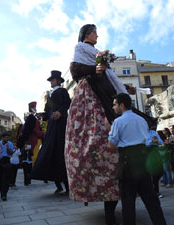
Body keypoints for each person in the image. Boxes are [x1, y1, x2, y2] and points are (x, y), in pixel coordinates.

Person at [64, 24, 150, 225]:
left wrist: (125, 88)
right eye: (94, 32)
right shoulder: (81, 49)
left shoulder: (98, 53)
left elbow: (110, 78)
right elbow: (75, 69)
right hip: (92, 96)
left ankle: (119, 199)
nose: (97, 35)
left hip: (107, 96)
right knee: (97, 140)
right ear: (86, 34)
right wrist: (95, 69)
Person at [108, 93, 167, 225]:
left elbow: (111, 145)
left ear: (121, 105)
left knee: (128, 203)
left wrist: (110, 130)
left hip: (127, 162)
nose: (113, 107)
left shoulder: (118, 122)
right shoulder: (141, 119)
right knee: (151, 200)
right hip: (142, 159)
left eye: (115, 104)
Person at [31, 70, 71, 193]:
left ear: (58, 80)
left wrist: (60, 112)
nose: (51, 82)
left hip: (61, 126)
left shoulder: (63, 91)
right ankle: (58, 185)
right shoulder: (49, 95)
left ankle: (68, 186)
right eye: (50, 80)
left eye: (52, 80)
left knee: (60, 151)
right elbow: (48, 111)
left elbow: (67, 103)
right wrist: (42, 116)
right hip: (51, 127)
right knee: (50, 151)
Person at [17, 102, 45, 185]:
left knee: (29, 159)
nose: (35, 109)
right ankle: (30, 177)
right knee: (31, 160)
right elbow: (34, 130)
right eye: (34, 107)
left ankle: (28, 179)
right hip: (33, 142)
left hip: (31, 142)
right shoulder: (32, 119)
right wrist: (43, 134)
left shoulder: (31, 119)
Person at [0, 132, 14, 201]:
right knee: (0, 178)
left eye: (8, 137)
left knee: (6, 179)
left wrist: (7, 149)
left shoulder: (9, 144)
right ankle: (1, 193)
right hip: (0, 162)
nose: (7, 138)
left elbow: (11, 153)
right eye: (6, 137)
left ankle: (4, 194)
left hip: (7, 161)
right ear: (2, 137)